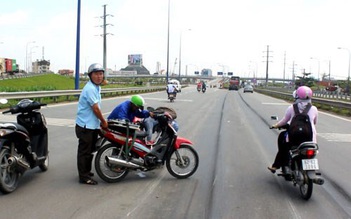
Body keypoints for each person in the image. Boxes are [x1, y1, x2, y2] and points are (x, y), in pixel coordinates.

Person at [268, 86, 318, 173]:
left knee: (283, 146)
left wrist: (275, 125)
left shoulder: (292, 108)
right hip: (310, 139)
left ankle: (276, 165)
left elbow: (284, 121)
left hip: (293, 138)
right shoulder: (314, 109)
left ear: (297, 96)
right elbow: (314, 122)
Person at [75, 63, 108, 185]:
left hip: (91, 125)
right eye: (96, 74)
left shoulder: (96, 87)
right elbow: (95, 109)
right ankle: (83, 177)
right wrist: (104, 122)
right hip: (85, 126)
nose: (99, 76)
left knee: (90, 151)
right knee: (84, 152)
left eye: (101, 74)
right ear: (90, 75)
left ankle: (86, 172)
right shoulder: (90, 89)